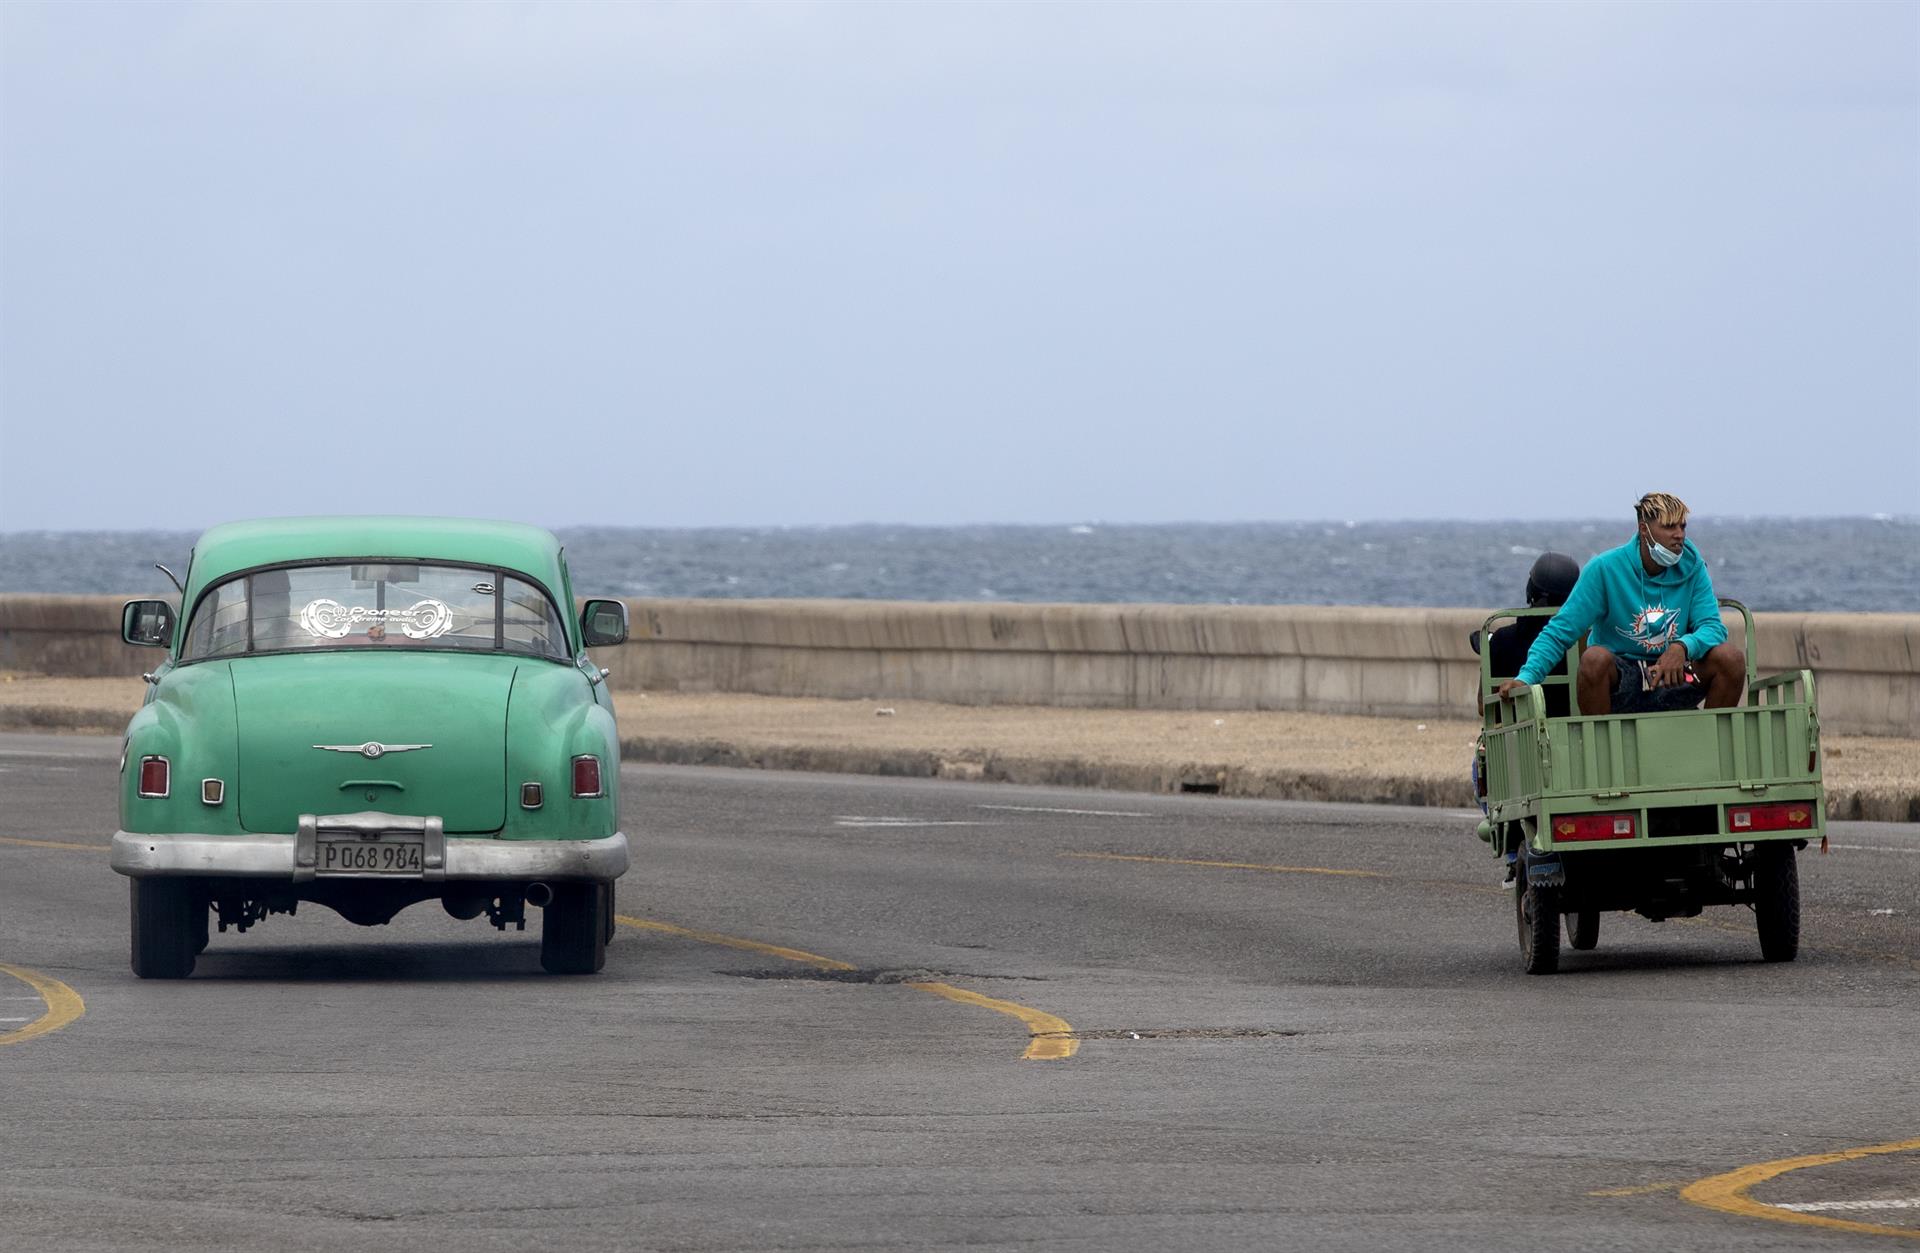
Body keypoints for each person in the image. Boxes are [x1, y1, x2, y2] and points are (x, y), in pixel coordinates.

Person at [1496, 493, 1744, 716]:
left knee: (1730, 658)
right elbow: (1560, 631)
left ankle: (1712, 749)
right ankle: (1600, 756)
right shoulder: (1605, 569)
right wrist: (1526, 678)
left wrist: (1681, 647)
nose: (1679, 534)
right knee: (1594, 659)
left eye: (1682, 526)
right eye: (1669, 526)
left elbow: (1712, 628)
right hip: (1624, 677)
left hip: (1675, 674)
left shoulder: (1693, 567)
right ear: (1644, 529)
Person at [1472, 551, 1581, 718]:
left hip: (1512, 737)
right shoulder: (1580, 642)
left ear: (1530, 589)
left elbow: (1483, 707)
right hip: (1572, 736)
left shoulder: (1501, 639)